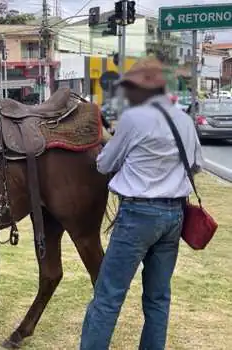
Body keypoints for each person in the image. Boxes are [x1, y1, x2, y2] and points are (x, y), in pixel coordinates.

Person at [80, 57, 203, 350]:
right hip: (174, 214)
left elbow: (104, 164)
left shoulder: (134, 119)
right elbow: (196, 165)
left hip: (138, 214)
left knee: (108, 296)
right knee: (158, 298)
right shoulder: (184, 119)